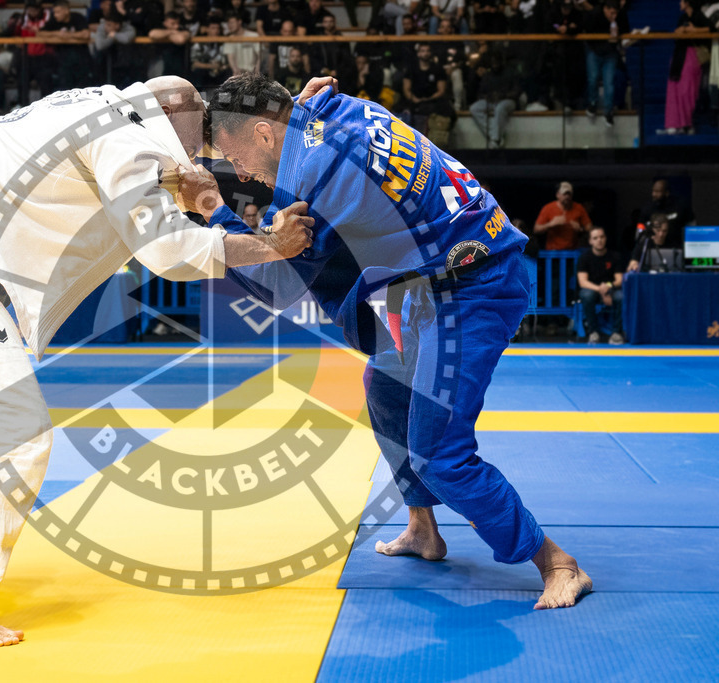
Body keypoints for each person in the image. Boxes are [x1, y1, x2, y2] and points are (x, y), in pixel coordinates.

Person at [0, 75, 318, 647]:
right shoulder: (133, 138)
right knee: (13, 426)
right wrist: (270, 245)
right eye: (201, 137)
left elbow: (137, 184)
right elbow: (167, 252)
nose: (208, 154)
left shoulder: (103, 111)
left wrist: (188, 181)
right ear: (172, 116)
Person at [196, 72, 592, 610]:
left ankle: (557, 562)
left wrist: (212, 212)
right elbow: (313, 109)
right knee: (384, 385)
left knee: (439, 455)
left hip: (473, 285)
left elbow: (275, 283)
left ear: (265, 134)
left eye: (232, 152)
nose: (235, 169)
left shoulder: (309, 176)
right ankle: (423, 529)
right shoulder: (335, 108)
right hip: (440, 274)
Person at [663, 0, 711, 135]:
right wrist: (681, 31)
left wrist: (693, 30)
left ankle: (687, 123)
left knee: (688, 90)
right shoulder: (682, 18)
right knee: (674, 89)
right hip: (679, 55)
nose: (679, 3)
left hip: (692, 55)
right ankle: (673, 123)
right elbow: (677, 35)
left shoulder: (699, 16)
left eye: (682, 1)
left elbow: (710, 28)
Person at [577, 226, 624, 344]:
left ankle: (616, 333)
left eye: (602, 237)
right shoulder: (584, 258)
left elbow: (619, 280)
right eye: (595, 238)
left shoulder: (615, 256)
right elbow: (583, 282)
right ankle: (593, 332)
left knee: (621, 296)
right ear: (590, 241)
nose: (599, 240)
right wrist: (601, 290)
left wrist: (607, 286)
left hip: (611, 288)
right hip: (592, 289)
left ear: (606, 238)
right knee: (587, 295)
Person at [584, 0, 628, 127]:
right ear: (605, 9)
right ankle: (592, 103)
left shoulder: (621, 15)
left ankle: (608, 111)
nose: (613, 16)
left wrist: (618, 34)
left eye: (616, 13)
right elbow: (587, 31)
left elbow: (626, 30)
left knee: (609, 83)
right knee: (592, 78)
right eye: (611, 13)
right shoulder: (594, 14)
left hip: (610, 53)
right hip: (594, 51)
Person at [469, 49, 520, 149]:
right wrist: (488, 96)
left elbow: (517, 92)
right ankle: (495, 136)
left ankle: (495, 140)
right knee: (474, 108)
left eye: (497, 62)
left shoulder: (510, 72)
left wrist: (503, 95)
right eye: (493, 62)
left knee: (500, 108)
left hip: (508, 101)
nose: (495, 64)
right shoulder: (488, 74)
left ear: (501, 61)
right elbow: (480, 93)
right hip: (491, 101)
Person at [637, 178, 694, 248]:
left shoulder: (680, 206)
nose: (653, 194)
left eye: (657, 191)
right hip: (652, 248)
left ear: (666, 193)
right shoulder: (648, 209)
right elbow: (639, 232)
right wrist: (640, 244)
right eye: (653, 191)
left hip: (676, 248)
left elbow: (691, 227)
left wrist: (689, 246)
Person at [534, 181, 591, 250]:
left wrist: (581, 229)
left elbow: (590, 228)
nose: (567, 197)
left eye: (569, 194)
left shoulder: (579, 208)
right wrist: (550, 224)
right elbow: (536, 229)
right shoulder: (548, 208)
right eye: (564, 194)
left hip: (573, 250)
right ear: (558, 195)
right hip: (553, 251)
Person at [222, 12, 261, 77]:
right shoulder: (229, 39)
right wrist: (236, 72)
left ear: (239, 22)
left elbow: (259, 57)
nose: (230, 25)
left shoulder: (253, 36)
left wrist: (256, 73)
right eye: (228, 23)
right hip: (237, 75)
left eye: (232, 22)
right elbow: (231, 59)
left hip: (253, 74)